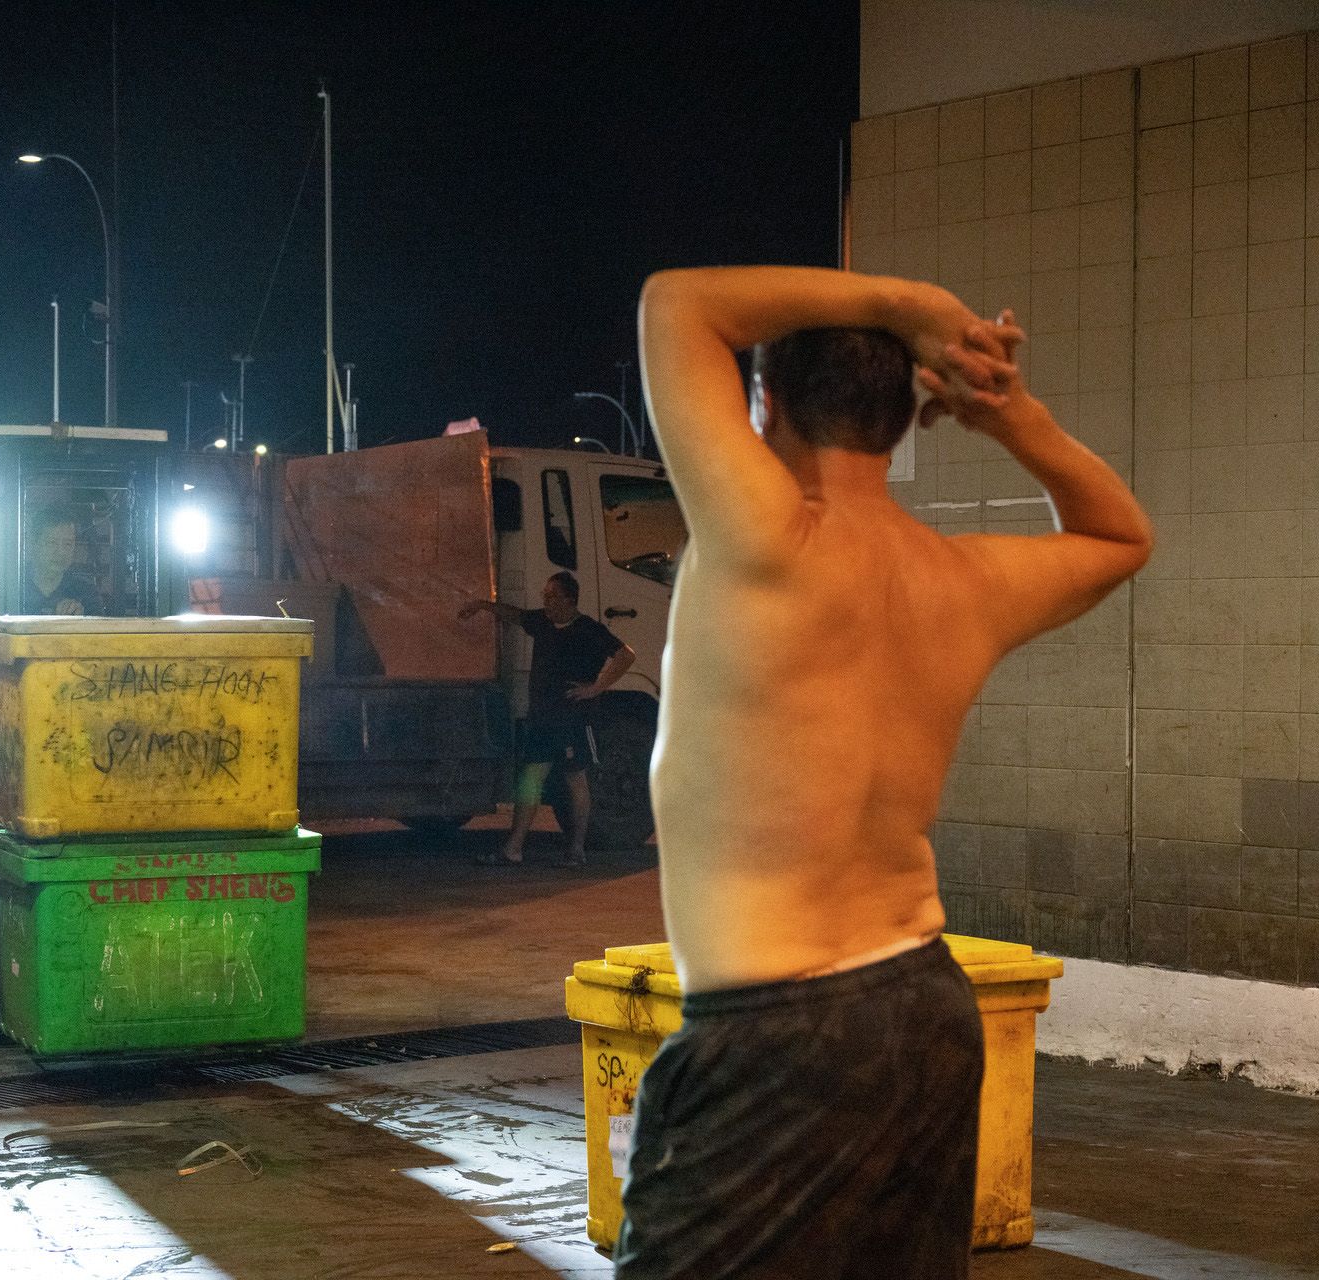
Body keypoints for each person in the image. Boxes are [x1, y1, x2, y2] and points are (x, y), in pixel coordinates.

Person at [619, 267, 1151, 1279]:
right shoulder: (962, 578)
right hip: (921, 1006)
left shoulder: (763, 539)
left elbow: (676, 306)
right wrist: (1012, 417)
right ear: (909, 415)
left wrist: (905, 306)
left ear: (766, 403)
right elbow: (1121, 535)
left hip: (778, 1032)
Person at [458, 572, 637, 867]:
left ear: (570, 599)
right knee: (530, 779)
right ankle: (513, 849)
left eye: (552, 596)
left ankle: (576, 850)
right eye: (545, 596)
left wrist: (595, 689)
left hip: (571, 719)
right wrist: (483, 605)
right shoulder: (542, 622)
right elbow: (516, 616)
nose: (547, 602)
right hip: (541, 718)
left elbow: (626, 655)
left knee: (575, 779)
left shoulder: (589, 630)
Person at [26, 514, 102, 615]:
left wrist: (80, 621)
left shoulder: (86, 593)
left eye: (68, 544)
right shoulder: (13, 588)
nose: (61, 552)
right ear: (33, 545)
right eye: (52, 543)